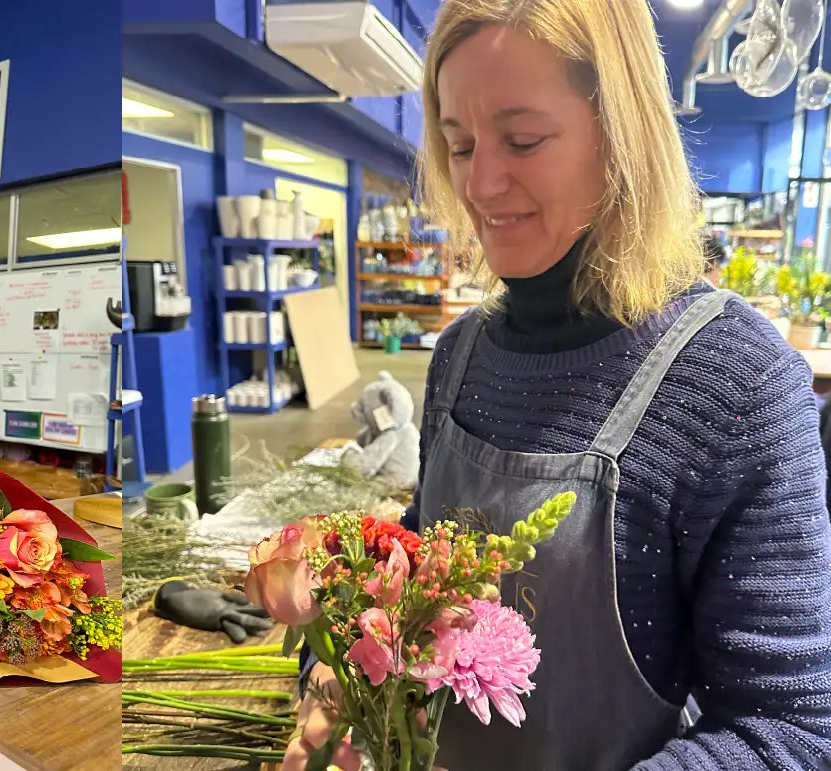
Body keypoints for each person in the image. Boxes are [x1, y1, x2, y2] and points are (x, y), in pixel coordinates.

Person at [282, 2, 831, 769]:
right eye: (458, 143)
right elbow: (415, 569)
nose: (478, 182)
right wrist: (342, 675)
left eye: (522, 140)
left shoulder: (737, 385)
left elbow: (790, 732)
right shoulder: (460, 356)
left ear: (621, 136)